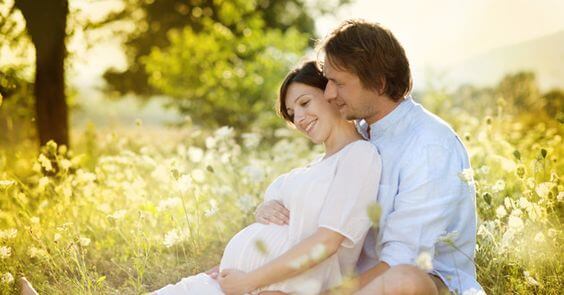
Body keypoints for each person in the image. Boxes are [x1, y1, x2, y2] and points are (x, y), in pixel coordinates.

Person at [256, 19, 483, 294]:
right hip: (352, 282)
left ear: (378, 82)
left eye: (338, 83)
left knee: (404, 281)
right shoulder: (359, 135)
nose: (328, 93)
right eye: (327, 82)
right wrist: (271, 205)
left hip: (423, 283)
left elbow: (403, 261)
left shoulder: (429, 145)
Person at [154, 61, 382, 294]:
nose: (300, 119)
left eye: (304, 103)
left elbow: (326, 243)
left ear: (331, 92)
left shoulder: (359, 156)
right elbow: (281, 203)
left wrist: (250, 280)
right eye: (292, 114)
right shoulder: (315, 167)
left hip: (266, 288)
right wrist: (265, 208)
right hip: (232, 283)